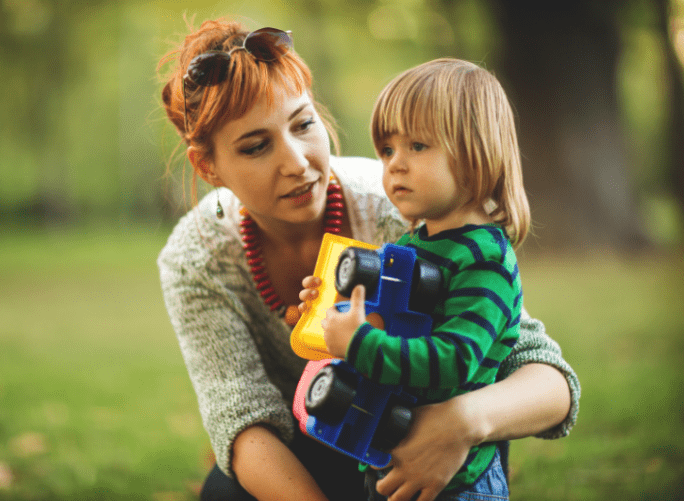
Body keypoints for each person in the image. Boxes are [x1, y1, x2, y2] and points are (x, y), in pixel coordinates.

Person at [156, 18, 580, 501]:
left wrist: (461, 422)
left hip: (424, 432)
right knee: (225, 494)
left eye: (303, 124)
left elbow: (545, 377)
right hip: (309, 445)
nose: (296, 161)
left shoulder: (401, 207)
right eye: (256, 146)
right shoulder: (196, 261)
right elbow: (241, 418)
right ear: (207, 166)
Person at [301, 58, 531, 499]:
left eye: (418, 146)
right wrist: (334, 308)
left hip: (456, 483)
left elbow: (455, 358)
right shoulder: (414, 243)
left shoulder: (484, 261)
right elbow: (395, 323)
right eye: (387, 150)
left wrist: (361, 345)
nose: (395, 165)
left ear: (476, 151)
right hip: (389, 452)